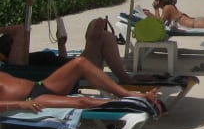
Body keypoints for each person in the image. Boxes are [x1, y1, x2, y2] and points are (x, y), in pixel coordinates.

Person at [0, 55, 158, 113]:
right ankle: (131, 102)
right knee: (84, 101)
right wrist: (20, 105)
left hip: (40, 85)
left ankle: (128, 94)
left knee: (80, 63)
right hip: (31, 99)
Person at [0, 18, 133, 81]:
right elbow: (22, 29)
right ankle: (125, 79)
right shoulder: (16, 65)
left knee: (103, 35)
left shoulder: (23, 60)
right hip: (79, 70)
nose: (19, 43)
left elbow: (59, 62)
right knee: (103, 36)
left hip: (74, 65)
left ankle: (93, 38)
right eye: (11, 41)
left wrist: (61, 43)